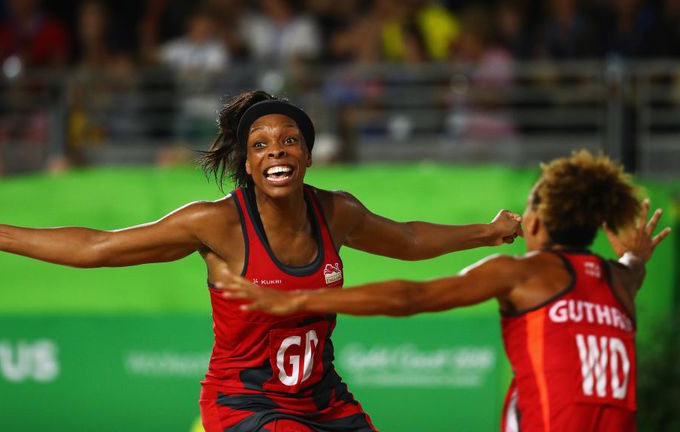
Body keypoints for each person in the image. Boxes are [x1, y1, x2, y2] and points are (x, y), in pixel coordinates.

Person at [0, 90, 522, 431]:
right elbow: (99, 247)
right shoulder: (215, 223)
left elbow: (410, 240)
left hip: (322, 398)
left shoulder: (336, 212)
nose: (276, 152)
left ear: (309, 155)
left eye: (288, 140)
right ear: (246, 162)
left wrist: (489, 232)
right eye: (261, 145)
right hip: (248, 403)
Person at [217, 150, 672, 432]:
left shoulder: (524, 274)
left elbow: (410, 297)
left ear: (534, 221)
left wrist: (296, 299)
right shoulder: (619, 281)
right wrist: (637, 255)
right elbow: (632, 268)